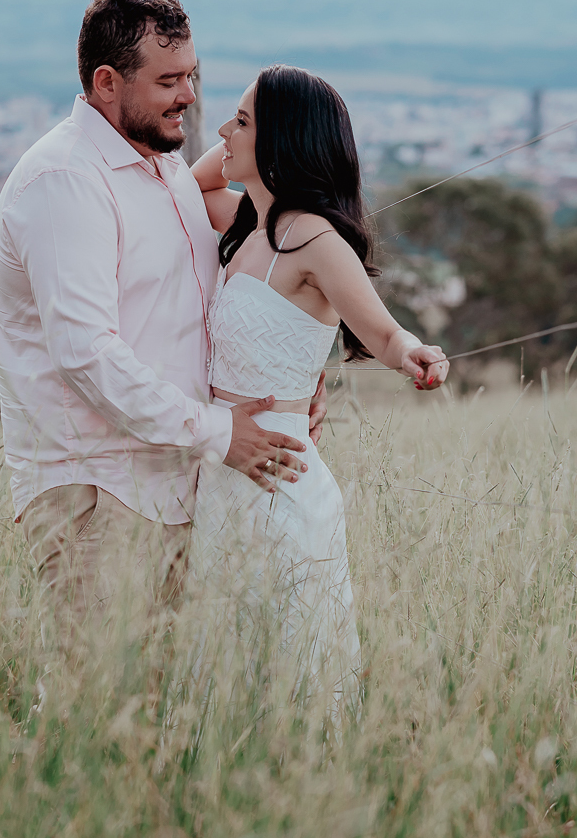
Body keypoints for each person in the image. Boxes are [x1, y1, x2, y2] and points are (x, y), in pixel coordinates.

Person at [0, 0, 320, 638]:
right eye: (168, 80)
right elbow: (86, 354)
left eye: (190, 76)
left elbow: (203, 299)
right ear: (107, 82)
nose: (188, 97)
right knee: (100, 708)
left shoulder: (163, 170)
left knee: (158, 713)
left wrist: (291, 379)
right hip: (94, 493)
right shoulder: (65, 181)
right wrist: (222, 435)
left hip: (174, 481)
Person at [189, 65, 449, 710]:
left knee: (285, 671)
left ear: (284, 141)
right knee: (221, 669)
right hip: (221, 472)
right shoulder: (244, 230)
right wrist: (234, 149)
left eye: (243, 121)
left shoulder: (312, 239)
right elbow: (188, 187)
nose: (224, 131)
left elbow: (384, 334)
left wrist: (417, 354)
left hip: (279, 477)